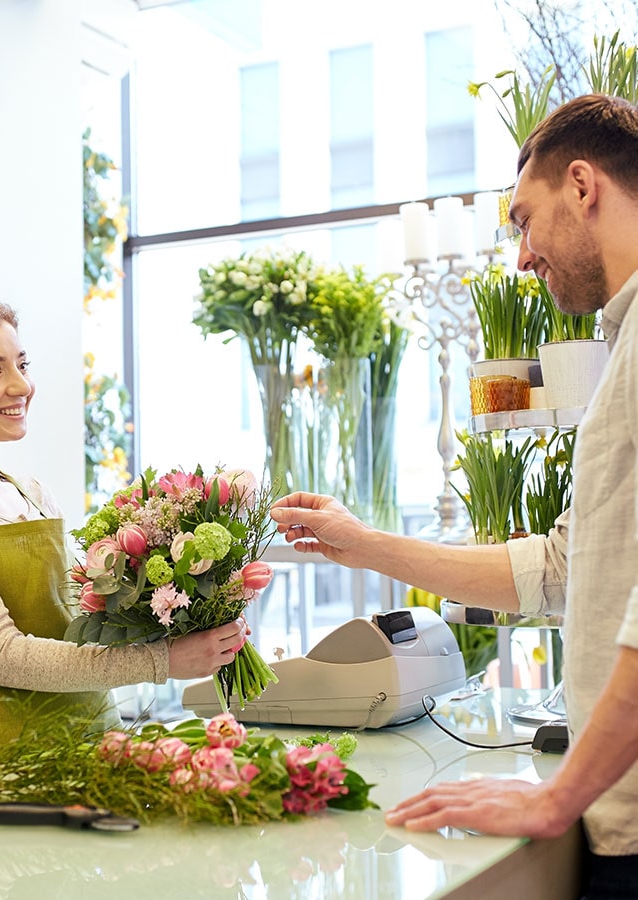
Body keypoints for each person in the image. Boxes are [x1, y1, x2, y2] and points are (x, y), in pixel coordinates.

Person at [271, 93, 638, 899]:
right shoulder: (622, 341)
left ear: (582, 186)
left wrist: (555, 798)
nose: (521, 256)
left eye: (522, 220)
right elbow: (562, 567)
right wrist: (361, 544)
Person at [0, 289, 246, 777]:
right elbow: (4, 657)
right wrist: (162, 660)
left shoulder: (32, 494)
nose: (21, 386)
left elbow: (77, 628)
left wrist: (181, 606)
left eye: (21, 364)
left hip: (98, 752)